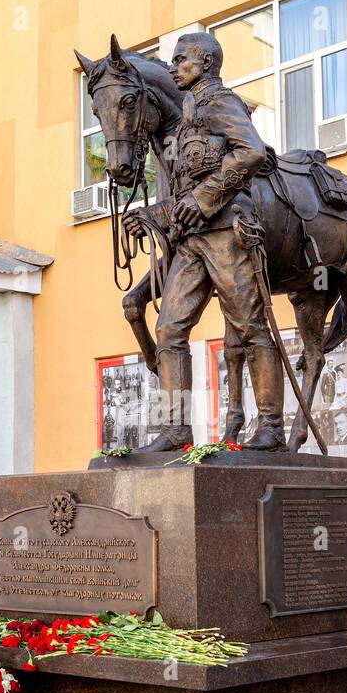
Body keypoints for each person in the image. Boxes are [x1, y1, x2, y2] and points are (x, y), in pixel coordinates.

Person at [122, 32, 283, 451]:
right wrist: (152, 216)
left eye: (181, 60)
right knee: (170, 327)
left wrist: (203, 197)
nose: (173, 67)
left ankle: (270, 426)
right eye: (173, 61)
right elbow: (183, 189)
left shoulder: (221, 103)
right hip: (191, 240)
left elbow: (252, 152)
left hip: (225, 234)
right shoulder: (188, 114)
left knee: (249, 326)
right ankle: (176, 428)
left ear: (206, 64)